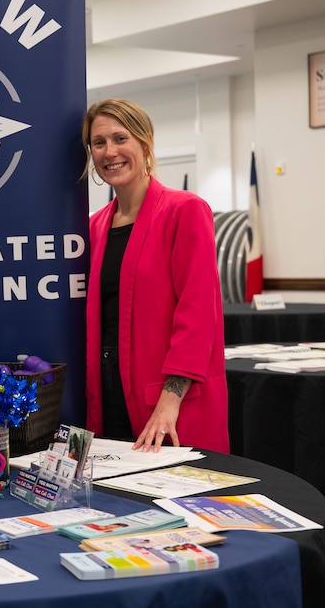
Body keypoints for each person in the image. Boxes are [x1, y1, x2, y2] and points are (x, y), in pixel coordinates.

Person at [82, 98, 229, 453]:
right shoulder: (95, 227)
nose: (109, 152)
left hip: (169, 406)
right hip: (108, 400)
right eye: (98, 143)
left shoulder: (185, 211)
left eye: (120, 139)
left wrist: (170, 401)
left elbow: (197, 317)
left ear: (145, 144)